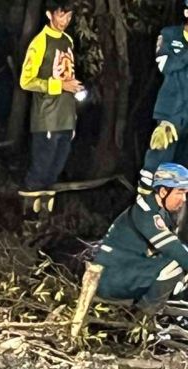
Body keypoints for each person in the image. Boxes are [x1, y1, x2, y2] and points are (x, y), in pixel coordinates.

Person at [93, 163, 188, 317]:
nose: (183, 199)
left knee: (178, 262)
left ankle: (145, 315)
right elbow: (174, 250)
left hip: (127, 270)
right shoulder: (145, 212)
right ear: (163, 191)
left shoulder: (162, 213)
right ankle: (142, 320)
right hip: (111, 278)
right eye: (180, 192)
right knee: (175, 263)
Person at [19, 0, 82, 222]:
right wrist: (58, 86)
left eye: (69, 16)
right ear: (49, 14)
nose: (65, 20)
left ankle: (46, 222)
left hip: (66, 117)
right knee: (40, 171)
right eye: (61, 15)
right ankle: (28, 221)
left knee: (55, 171)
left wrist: (73, 105)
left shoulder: (68, 41)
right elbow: (26, 81)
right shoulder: (39, 42)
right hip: (46, 118)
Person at [141, 1, 188, 193]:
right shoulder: (169, 35)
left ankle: (176, 210)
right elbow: (164, 65)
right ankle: (146, 197)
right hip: (172, 110)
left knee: (182, 166)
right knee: (160, 153)